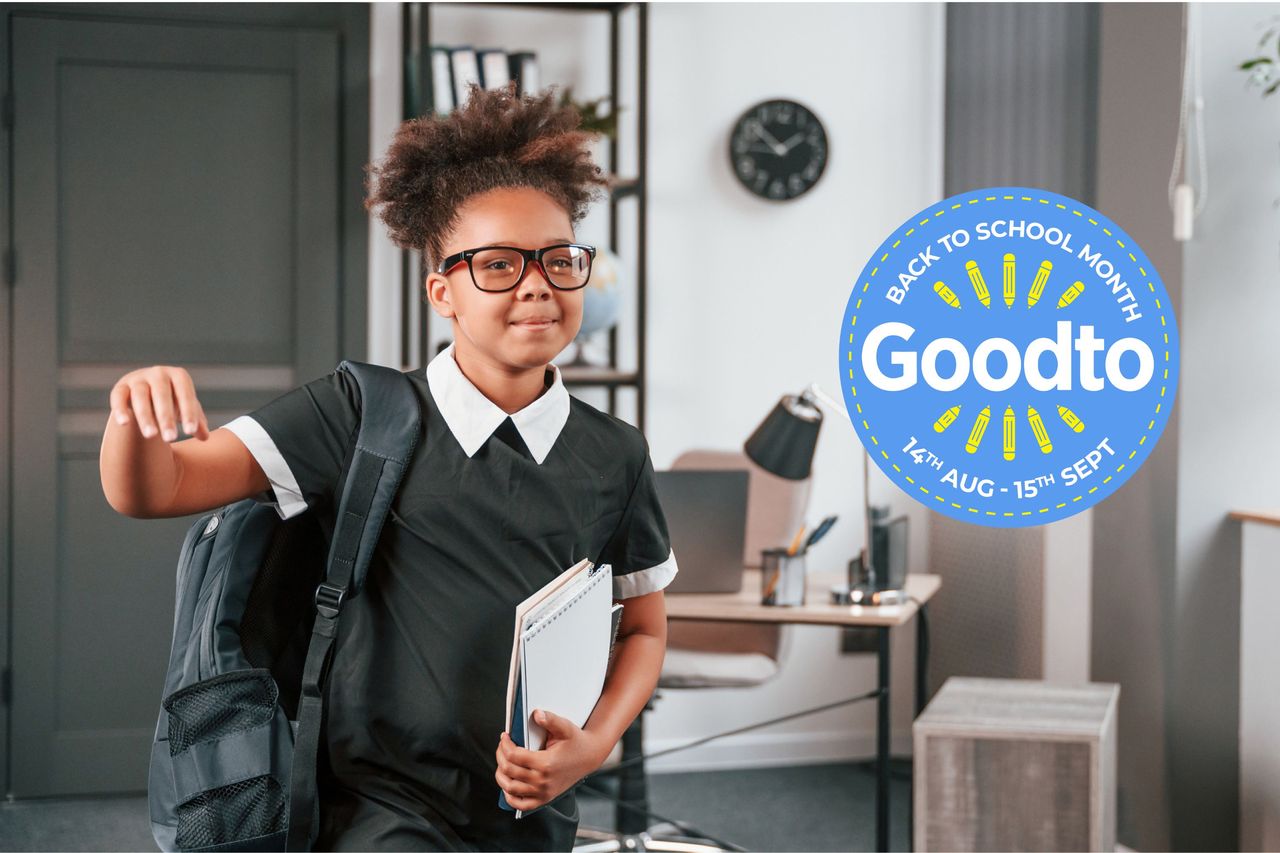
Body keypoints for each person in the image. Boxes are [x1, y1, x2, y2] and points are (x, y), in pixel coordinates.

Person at [99, 84, 677, 851]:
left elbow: (642, 628)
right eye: (499, 264)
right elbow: (157, 487)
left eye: (558, 258)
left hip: (530, 808)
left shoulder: (616, 452)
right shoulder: (357, 412)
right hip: (378, 808)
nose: (536, 282)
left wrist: (594, 744)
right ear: (443, 290)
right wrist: (131, 411)